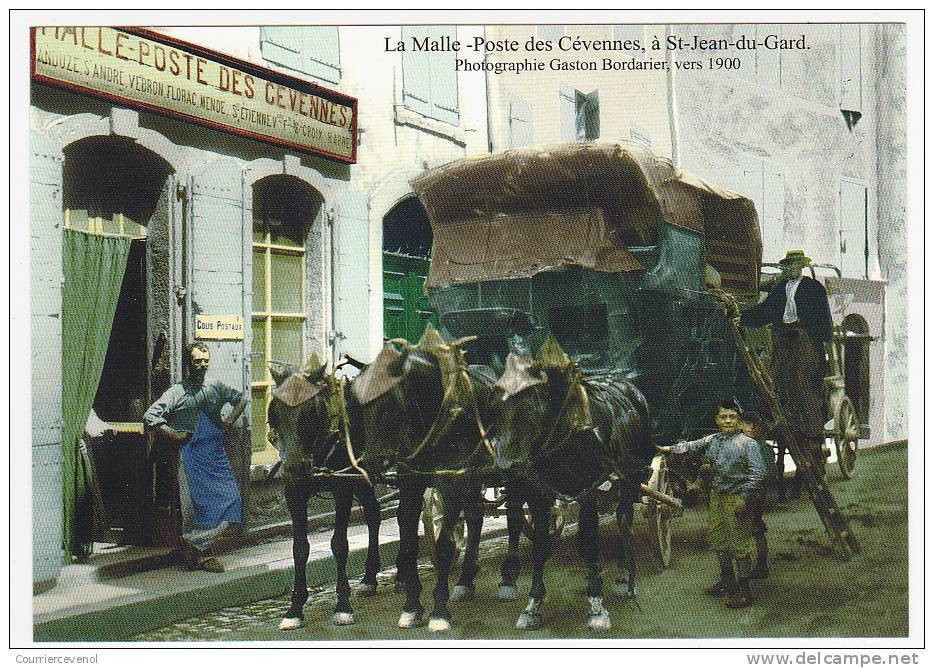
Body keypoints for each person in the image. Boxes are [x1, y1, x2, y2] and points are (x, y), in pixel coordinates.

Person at [723, 249, 833, 491]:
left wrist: (820, 342)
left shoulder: (814, 289)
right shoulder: (779, 291)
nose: (792, 269)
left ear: (802, 266)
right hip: (782, 340)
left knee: (800, 380)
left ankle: (808, 426)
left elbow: (824, 318)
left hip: (805, 340)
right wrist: (740, 317)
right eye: (789, 266)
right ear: (785, 268)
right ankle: (782, 419)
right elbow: (764, 313)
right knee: (775, 381)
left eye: (796, 265)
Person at [144, 343, 248, 572]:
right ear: (188, 363)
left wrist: (228, 421)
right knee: (193, 507)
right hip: (188, 454)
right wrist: (173, 433)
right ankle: (202, 555)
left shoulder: (215, 387)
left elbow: (242, 399)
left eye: (205, 361)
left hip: (215, 454)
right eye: (197, 361)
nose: (202, 366)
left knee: (231, 500)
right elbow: (150, 416)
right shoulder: (176, 392)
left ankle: (191, 543)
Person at [657, 400, 767, 609]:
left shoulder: (748, 444)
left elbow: (759, 473)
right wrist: (665, 449)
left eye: (732, 417)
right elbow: (689, 446)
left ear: (739, 420)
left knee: (739, 545)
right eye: (723, 417)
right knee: (717, 539)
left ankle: (745, 591)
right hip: (717, 498)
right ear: (716, 420)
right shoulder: (713, 439)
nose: (727, 421)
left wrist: (744, 499)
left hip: (737, 499)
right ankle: (727, 581)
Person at [738, 411, 777, 579]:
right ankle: (756, 566)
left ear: (762, 427)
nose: (752, 427)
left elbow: (769, 474)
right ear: (741, 425)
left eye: (756, 423)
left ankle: (760, 565)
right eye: (748, 423)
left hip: (755, 495)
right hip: (742, 494)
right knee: (752, 529)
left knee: (753, 529)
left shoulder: (764, 449)